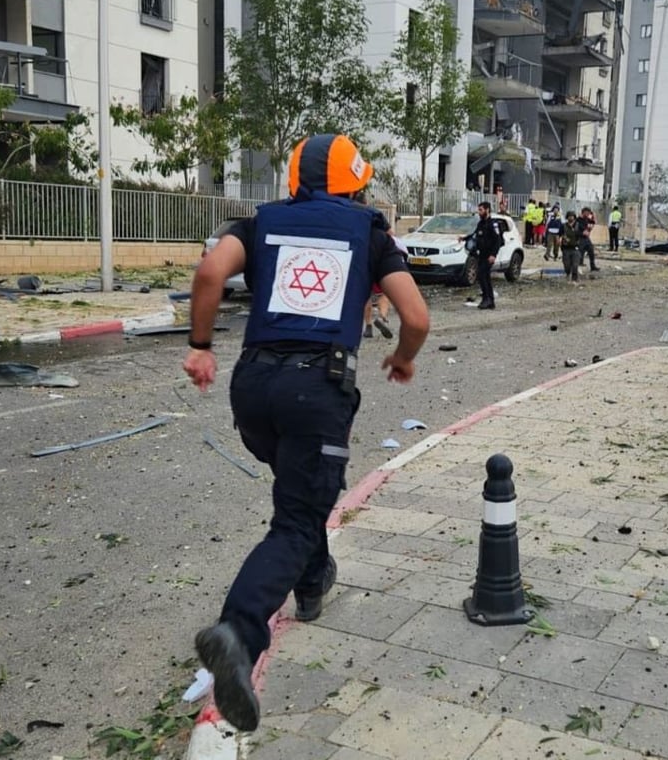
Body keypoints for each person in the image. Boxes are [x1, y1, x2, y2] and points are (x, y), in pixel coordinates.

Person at [183, 133, 430, 732]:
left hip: (254, 389)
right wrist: (402, 356)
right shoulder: (371, 233)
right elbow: (418, 316)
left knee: (300, 490)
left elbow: (210, 272)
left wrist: (200, 346)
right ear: (355, 182)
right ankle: (238, 634)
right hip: (315, 391)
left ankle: (313, 582)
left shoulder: (259, 223)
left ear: (295, 180)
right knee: (297, 516)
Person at [465, 201, 503, 309]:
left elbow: (498, 241)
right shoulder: (481, 223)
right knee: (485, 277)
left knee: (482, 275)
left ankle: (487, 299)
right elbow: (475, 235)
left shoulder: (493, 224)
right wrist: (464, 238)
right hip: (481, 254)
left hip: (489, 255)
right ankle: (490, 300)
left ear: (487, 210)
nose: (479, 212)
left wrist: (493, 255)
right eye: (479, 210)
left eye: (481, 210)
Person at [560, 211, 581, 283]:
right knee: (567, 265)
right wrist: (562, 239)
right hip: (566, 249)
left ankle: (574, 279)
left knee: (575, 265)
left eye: (572, 216)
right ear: (567, 217)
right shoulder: (563, 226)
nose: (571, 217)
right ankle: (568, 274)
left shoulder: (578, 225)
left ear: (574, 217)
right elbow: (560, 234)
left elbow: (582, 234)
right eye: (569, 216)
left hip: (575, 248)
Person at [579, 207, 599, 272]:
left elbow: (594, 222)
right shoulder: (578, 219)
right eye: (587, 212)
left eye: (589, 213)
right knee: (580, 252)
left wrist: (593, 215)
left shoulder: (587, 219)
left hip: (586, 238)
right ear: (584, 212)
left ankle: (593, 266)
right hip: (580, 238)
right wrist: (583, 232)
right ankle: (577, 266)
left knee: (591, 251)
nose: (588, 214)